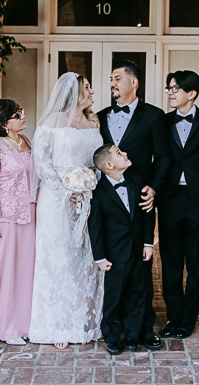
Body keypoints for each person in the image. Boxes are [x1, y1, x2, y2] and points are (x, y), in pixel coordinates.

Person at [97, 59, 169, 349]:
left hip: (140, 197)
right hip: (109, 198)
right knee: (116, 275)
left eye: (117, 78)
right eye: (111, 79)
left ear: (133, 82)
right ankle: (114, 331)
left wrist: (154, 187)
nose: (112, 83)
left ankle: (144, 329)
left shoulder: (154, 116)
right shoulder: (99, 116)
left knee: (142, 273)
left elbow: (164, 157)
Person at [28, 73, 104, 347]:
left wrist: (91, 182)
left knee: (86, 260)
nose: (92, 91)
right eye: (87, 88)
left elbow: (97, 160)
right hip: (57, 200)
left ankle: (85, 319)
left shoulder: (92, 122)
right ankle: (57, 325)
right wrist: (67, 191)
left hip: (88, 197)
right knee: (59, 258)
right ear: (73, 93)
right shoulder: (50, 122)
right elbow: (42, 164)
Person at [154, 70, 199, 338]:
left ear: (192, 93)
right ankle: (173, 317)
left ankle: (188, 319)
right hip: (170, 199)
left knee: (196, 262)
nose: (170, 92)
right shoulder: (163, 121)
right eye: (169, 88)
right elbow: (159, 157)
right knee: (170, 261)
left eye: (176, 88)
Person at [0, 99, 38, 346]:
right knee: (6, 273)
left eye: (21, 112)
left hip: (30, 215)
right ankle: (6, 326)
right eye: (17, 115)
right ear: (4, 124)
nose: (23, 117)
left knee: (26, 271)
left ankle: (25, 323)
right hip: (5, 218)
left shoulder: (27, 141)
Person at [89, 144, 155, 355]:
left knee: (138, 293)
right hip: (115, 254)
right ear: (109, 165)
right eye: (119, 153)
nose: (125, 153)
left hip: (138, 250)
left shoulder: (137, 181)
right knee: (114, 297)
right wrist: (100, 256)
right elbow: (96, 227)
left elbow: (147, 214)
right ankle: (111, 336)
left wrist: (147, 243)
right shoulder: (98, 193)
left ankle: (133, 337)